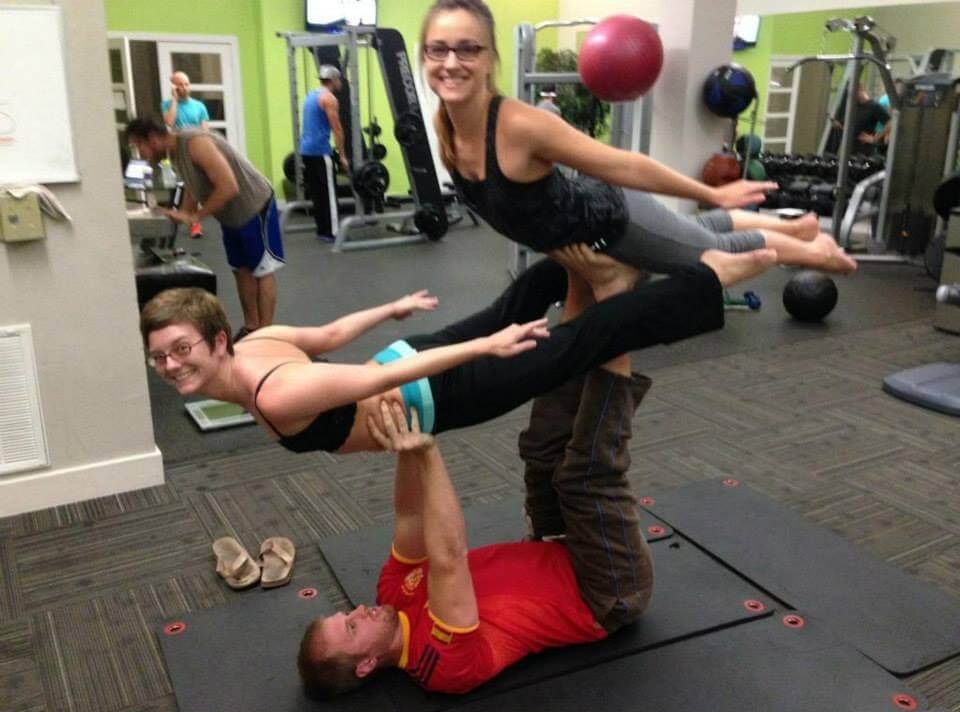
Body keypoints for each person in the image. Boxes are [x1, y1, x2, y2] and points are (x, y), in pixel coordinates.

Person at [140, 244, 776, 457]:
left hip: (435, 391)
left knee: (575, 344)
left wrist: (486, 348)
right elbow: (333, 336)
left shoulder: (273, 392)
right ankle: (572, 252)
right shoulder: (260, 341)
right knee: (514, 306)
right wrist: (393, 310)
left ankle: (710, 277)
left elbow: (365, 380)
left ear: (218, 340)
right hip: (403, 357)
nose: (171, 367)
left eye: (181, 349)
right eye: (160, 358)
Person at [297, 348, 652, 696]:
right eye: (352, 626)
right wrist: (428, 452)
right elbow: (450, 558)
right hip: (604, 590)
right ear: (366, 665)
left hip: (554, 542)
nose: (360, 610)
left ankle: (584, 311)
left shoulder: (391, 593)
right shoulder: (438, 663)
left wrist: (406, 440)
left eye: (347, 613)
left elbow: (411, 516)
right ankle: (617, 324)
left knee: (540, 450)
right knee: (584, 476)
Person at [419, 0, 856, 282]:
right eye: (438, 49)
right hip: (590, 228)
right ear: (424, 56)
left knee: (712, 253)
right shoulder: (447, 130)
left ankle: (814, 251)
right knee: (694, 231)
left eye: (468, 49)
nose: (451, 62)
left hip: (616, 222)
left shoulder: (519, 125)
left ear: (490, 56)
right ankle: (791, 225)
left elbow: (625, 165)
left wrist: (710, 193)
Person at [126, 117, 285, 341]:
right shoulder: (175, 153)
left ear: (152, 138)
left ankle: (267, 335)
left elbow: (229, 186)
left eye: (139, 146)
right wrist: (181, 213)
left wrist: (196, 216)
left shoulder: (195, 143)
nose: (141, 154)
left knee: (262, 270)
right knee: (241, 269)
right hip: (231, 215)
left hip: (254, 205)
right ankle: (251, 328)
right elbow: (195, 186)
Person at [301, 65, 351, 242]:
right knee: (329, 194)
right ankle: (334, 232)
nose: (340, 83)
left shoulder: (310, 96)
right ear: (333, 80)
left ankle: (322, 230)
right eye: (339, 80)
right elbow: (337, 129)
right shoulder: (328, 98)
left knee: (317, 193)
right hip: (321, 151)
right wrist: (342, 156)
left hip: (306, 151)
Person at [161, 71, 210, 240]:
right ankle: (186, 219)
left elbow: (205, 130)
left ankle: (191, 222)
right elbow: (169, 122)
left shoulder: (199, 106)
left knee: (192, 186)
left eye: (186, 84)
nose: (184, 87)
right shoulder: (167, 104)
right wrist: (174, 100)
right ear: (173, 87)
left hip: (196, 151)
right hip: (178, 152)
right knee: (188, 187)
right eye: (179, 85)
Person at [828, 83, 891, 156]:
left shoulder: (874, 106)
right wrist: (840, 126)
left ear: (860, 89)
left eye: (853, 93)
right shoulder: (853, 106)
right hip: (849, 151)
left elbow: (890, 123)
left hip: (864, 152)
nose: (851, 97)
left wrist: (875, 139)